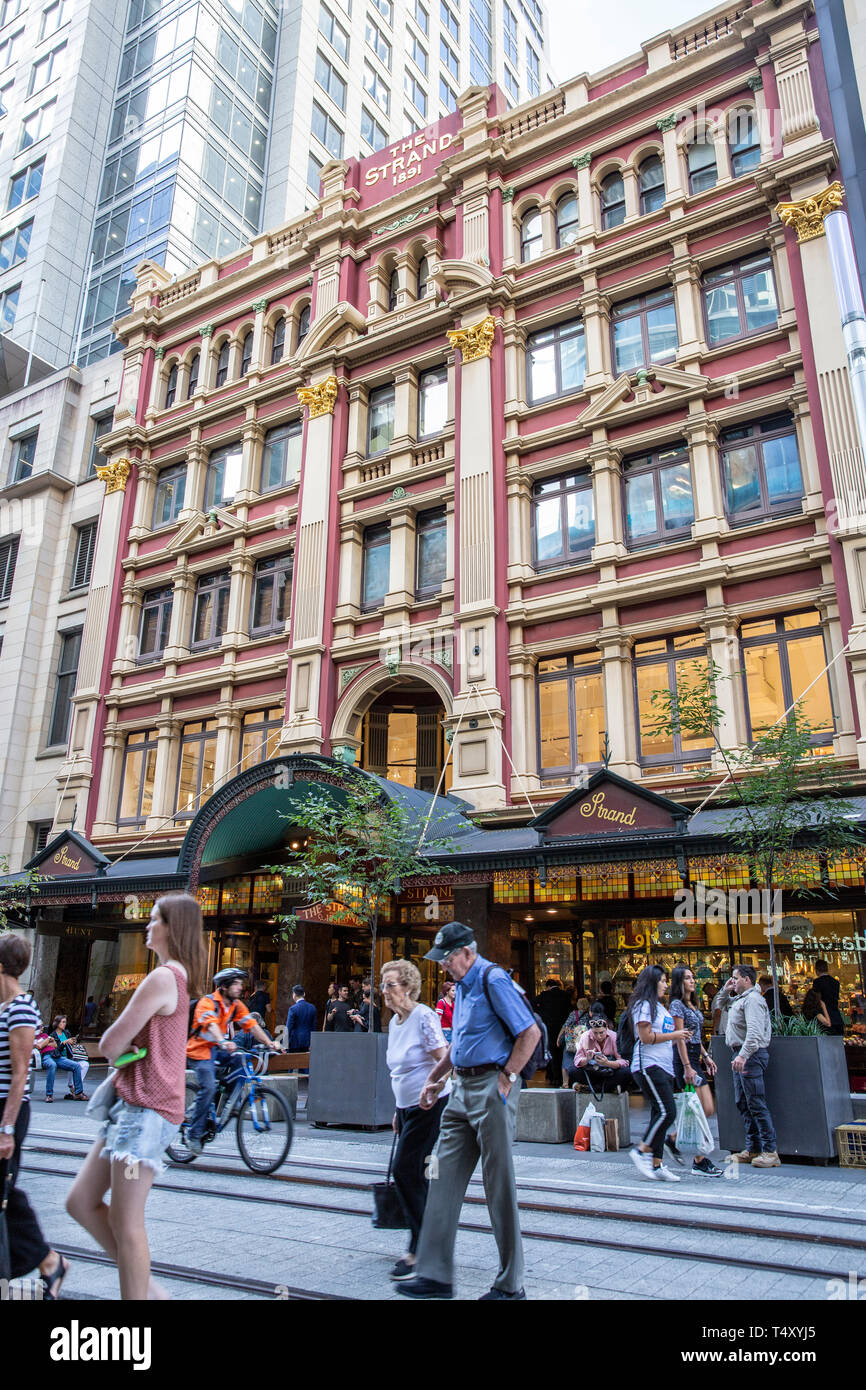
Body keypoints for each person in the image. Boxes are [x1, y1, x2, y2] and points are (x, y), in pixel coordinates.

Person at [64, 894, 206, 1299]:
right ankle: (149, 1290)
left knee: (127, 1223)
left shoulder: (163, 977)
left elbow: (109, 1044)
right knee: (81, 1201)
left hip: (144, 1116)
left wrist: (124, 1052)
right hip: (134, 1112)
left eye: (155, 919)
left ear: (171, 928)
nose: (147, 925)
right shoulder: (176, 978)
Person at [396, 921, 540, 1301]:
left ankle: (511, 1286)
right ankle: (434, 1275)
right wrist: (435, 1079)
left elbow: (530, 1033)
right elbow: (459, 1043)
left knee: (499, 1186)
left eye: (447, 958)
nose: (443, 965)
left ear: (467, 952)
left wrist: (508, 1077)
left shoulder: (493, 979)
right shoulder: (461, 987)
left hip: (492, 1088)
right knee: (440, 1175)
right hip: (460, 1092)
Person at [0, 933, 69, 1298]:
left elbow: (20, 1073)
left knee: (4, 1190)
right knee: (3, 1189)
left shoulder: (21, 1008)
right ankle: (45, 1261)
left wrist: (7, 1129)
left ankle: (48, 1260)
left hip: (8, 1112)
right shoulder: (1, 1007)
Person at [382, 959, 451, 1280]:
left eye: (391, 985)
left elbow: (445, 1057)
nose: (385, 991)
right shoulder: (395, 1022)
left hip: (430, 1103)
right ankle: (425, 1241)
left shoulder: (424, 1016)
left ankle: (420, 1247)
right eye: (383, 985)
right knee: (417, 1173)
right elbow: (399, 1071)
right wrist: (398, 1111)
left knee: (405, 1169)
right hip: (407, 1107)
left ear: (408, 987)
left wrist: (431, 1087)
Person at [185, 966, 279, 1154]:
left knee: (240, 1059)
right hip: (199, 1052)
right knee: (209, 1087)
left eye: (240, 984)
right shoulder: (208, 1002)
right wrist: (222, 1041)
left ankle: (231, 1100)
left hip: (217, 1050)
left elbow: (252, 1025)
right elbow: (210, 1025)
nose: (240, 987)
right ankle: (194, 1135)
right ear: (224, 987)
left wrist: (270, 1042)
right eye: (236, 984)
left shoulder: (236, 1005)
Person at [627, 964, 690, 1182]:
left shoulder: (660, 1007)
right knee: (667, 1112)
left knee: (659, 1112)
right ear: (653, 982)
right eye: (662, 980)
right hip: (648, 1065)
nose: (666, 984)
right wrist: (675, 1034)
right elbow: (645, 1037)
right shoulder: (644, 1005)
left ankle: (657, 1164)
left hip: (664, 1066)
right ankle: (641, 1149)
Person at [714, 963, 779, 1168]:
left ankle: (770, 1151)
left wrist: (743, 1056)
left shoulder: (753, 1000)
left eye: (736, 977)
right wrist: (726, 990)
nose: (733, 980)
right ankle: (753, 1148)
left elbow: (754, 1033)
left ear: (747, 980)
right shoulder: (740, 999)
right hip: (740, 1055)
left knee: (756, 1103)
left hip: (750, 1056)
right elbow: (720, 1004)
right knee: (743, 1103)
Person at [669, 964, 722, 1177]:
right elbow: (680, 1036)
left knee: (706, 1108)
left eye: (692, 977)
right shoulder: (676, 1005)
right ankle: (699, 1161)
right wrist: (688, 1067)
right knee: (698, 1109)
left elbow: (694, 1035)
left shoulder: (692, 1004)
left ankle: (672, 1138)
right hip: (683, 1059)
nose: (693, 981)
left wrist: (706, 1056)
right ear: (679, 983)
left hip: (694, 1056)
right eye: (688, 978)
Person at [569, 1010, 631, 1093]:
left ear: (606, 1028)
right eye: (595, 1033)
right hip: (592, 1071)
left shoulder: (614, 1036)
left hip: (610, 1072)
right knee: (572, 1070)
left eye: (601, 1033)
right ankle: (608, 1088)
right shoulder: (585, 1036)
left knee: (626, 1072)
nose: (599, 1036)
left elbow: (624, 1061)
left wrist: (607, 1063)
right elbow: (577, 1061)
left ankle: (591, 1089)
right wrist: (587, 1059)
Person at [534, 977, 573, 1088]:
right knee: (564, 1051)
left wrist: (543, 1015)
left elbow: (532, 1004)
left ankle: (555, 1076)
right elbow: (569, 1010)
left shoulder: (544, 995)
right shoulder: (565, 995)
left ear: (548, 986)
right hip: (564, 1027)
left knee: (553, 1052)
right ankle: (563, 1076)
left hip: (550, 1027)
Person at [47, 1015, 88, 1100]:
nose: (65, 1024)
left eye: (65, 1022)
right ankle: (78, 1091)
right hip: (60, 1057)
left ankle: (75, 1089)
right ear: (57, 1023)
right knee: (76, 1066)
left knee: (85, 1064)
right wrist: (64, 1043)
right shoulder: (52, 1035)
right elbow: (55, 1051)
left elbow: (71, 1047)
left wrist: (73, 1041)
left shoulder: (66, 1033)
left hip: (70, 1056)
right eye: (63, 1022)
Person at [812, 961, 844, 1036]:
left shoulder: (817, 982)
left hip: (824, 1017)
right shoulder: (835, 982)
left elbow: (816, 1000)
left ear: (816, 970)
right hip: (837, 1017)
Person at [286, 985, 316, 1050]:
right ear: (304, 994)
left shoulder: (293, 1009)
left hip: (295, 1042)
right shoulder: (312, 1007)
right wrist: (313, 1042)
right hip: (308, 1041)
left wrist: (284, 1043)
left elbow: (288, 1028)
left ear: (294, 995)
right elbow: (314, 1027)